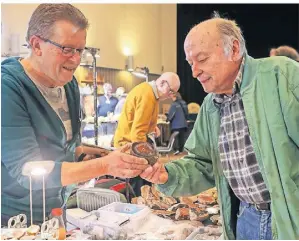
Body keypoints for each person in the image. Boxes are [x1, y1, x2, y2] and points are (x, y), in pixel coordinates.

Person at [141, 14, 299, 240]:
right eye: (190, 63)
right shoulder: (210, 106)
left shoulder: (282, 76)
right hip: (244, 219)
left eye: (202, 59)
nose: (194, 72)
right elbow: (202, 163)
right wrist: (168, 175)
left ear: (234, 49)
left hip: (291, 219)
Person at [1, 3, 149, 226]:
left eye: (80, 50)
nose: (76, 59)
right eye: (67, 49)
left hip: (56, 209)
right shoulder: (8, 88)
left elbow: (71, 146)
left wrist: (110, 154)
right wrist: (106, 165)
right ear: (36, 45)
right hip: (15, 218)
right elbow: (26, 170)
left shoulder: (69, 84)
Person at [114, 72, 180, 196]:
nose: (171, 96)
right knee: (140, 189)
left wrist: (152, 127)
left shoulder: (148, 91)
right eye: (171, 91)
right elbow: (137, 133)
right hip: (131, 147)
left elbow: (138, 119)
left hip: (130, 144)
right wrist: (145, 161)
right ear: (161, 83)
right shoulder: (147, 94)